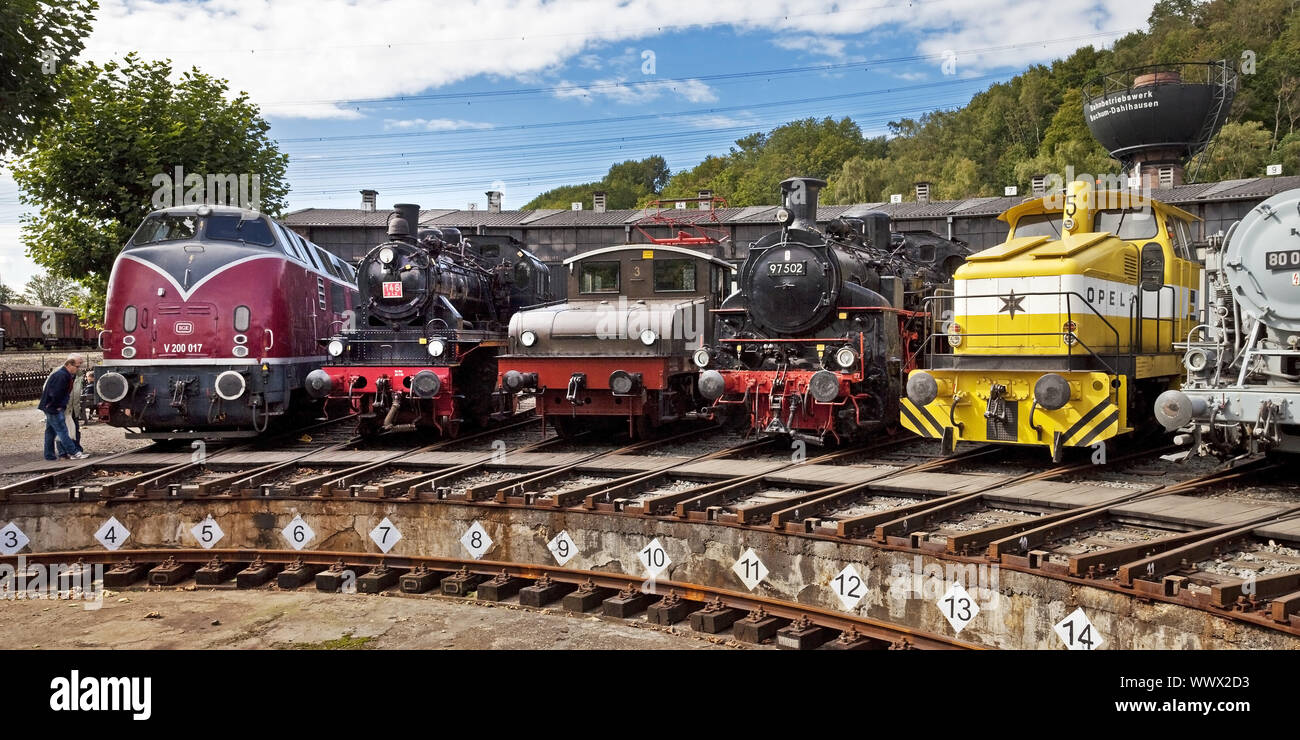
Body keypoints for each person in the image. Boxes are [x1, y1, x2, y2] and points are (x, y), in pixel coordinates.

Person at [38, 354, 88, 461]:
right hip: (54, 408)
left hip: (51, 407)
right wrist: (58, 406)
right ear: (70, 364)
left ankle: (49, 455)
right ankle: (74, 452)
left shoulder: (63, 374)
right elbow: (55, 393)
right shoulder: (62, 375)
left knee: (50, 432)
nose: (78, 368)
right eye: (77, 366)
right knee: (62, 431)